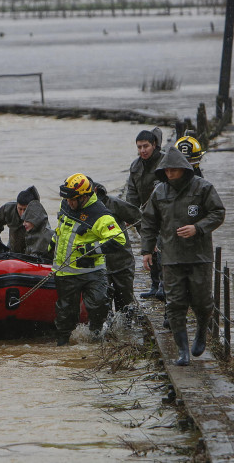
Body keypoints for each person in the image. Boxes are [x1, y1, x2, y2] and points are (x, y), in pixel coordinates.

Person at [140, 147, 225, 366]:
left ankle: (200, 332)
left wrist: (198, 228)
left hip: (199, 256)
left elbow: (218, 213)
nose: (169, 174)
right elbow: (149, 223)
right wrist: (147, 250)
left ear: (184, 169)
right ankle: (183, 351)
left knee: (203, 301)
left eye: (173, 170)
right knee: (175, 304)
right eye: (166, 170)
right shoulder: (159, 193)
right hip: (172, 257)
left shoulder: (203, 188)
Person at [52, 173, 127, 346]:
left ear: (84, 197)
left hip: (92, 270)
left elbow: (118, 239)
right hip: (65, 270)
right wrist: (52, 243)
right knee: (65, 314)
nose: (69, 203)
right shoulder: (66, 203)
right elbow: (62, 230)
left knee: (99, 304)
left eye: (72, 199)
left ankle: (95, 339)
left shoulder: (100, 214)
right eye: (67, 199)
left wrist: (90, 249)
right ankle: (62, 345)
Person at [125, 128, 166, 301]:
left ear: (154, 145)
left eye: (146, 146)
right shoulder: (135, 166)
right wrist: (129, 213)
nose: (142, 150)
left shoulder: (164, 162)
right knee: (150, 250)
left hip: (164, 215)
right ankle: (155, 284)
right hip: (145, 217)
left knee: (163, 248)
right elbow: (132, 193)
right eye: (139, 147)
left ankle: (165, 285)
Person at [93, 182, 142, 311]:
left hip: (122, 263)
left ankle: (126, 329)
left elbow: (139, 219)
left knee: (125, 305)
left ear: (95, 190)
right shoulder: (80, 210)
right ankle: (107, 329)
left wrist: (149, 244)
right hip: (99, 266)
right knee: (102, 306)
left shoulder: (114, 203)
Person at [0, 186, 39, 254]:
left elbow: (45, 237)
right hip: (12, 251)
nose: (22, 213)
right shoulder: (8, 209)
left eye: (25, 209)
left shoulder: (39, 216)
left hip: (30, 254)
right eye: (20, 209)